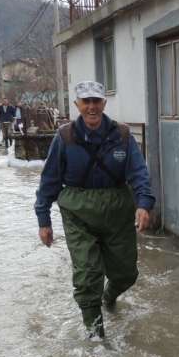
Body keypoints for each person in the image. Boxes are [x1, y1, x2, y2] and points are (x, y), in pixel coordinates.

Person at [34, 81, 155, 340]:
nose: (91, 107)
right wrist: (44, 220)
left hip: (117, 212)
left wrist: (144, 204)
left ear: (104, 104)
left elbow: (139, 172)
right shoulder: (65, 138)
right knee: (88, 275)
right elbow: (49, 181)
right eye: (86, 101)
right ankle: (96, 338)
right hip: (78, 214)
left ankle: (108, 297)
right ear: (77, 104)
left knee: (126, 274)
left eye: (96, 101)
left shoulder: (121, 135)